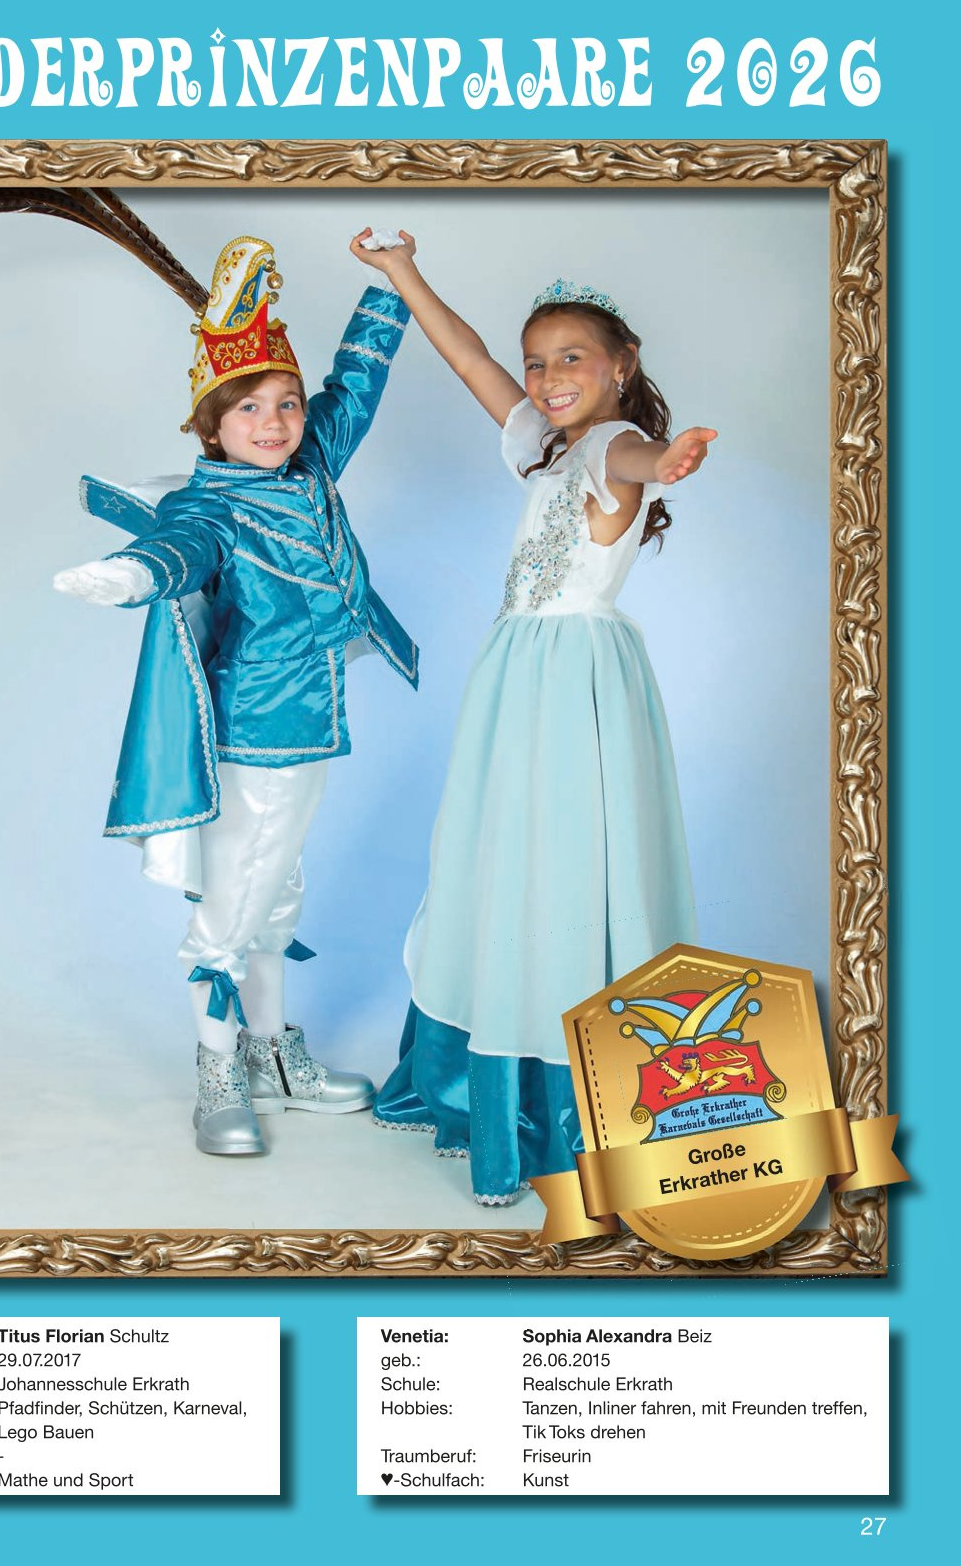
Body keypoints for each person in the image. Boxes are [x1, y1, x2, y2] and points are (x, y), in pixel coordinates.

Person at [351, 232, 714, 1205]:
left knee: (567, 863)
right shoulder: (544, 448)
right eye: (539, 361)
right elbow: (470, 358)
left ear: (621, 365)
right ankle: (488, 1073)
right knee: (507, 858)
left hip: (571, 684)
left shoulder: (608, 445)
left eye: (572, 358)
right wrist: (402, 272)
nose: (549, 378)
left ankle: (562, 1108)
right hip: (518, 675)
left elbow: (634, 454)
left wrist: (668, 458)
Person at [54, 233, 417, 1157]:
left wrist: (391, 286)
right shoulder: (212, 502)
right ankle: (218, 1076)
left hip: (310, 722)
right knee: (232, 909)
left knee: (275, 894)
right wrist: (133, 575)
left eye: (286, 402)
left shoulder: (310, 463)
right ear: (211, 428)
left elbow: (356, 386)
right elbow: (180, 548)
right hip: (257, 731)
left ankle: (271, 1057)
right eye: (249, 407)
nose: (274, 420)